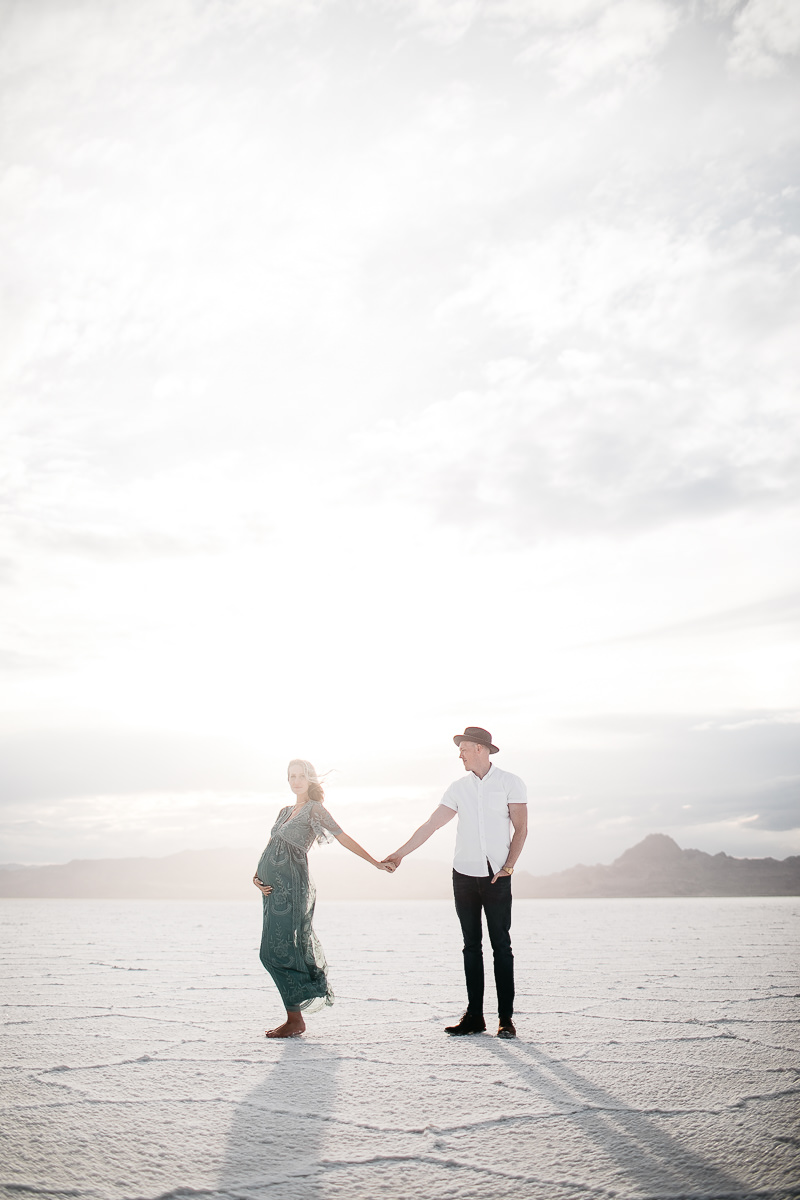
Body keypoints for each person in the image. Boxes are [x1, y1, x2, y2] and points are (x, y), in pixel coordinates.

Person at [384, 727, 527, 1038]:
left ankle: (506, 1020)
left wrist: (509, 866)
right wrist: (400, 853)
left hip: (496, 876)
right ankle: (475, 1017)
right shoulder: (457, 788)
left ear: (479, 749)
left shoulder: (510, 782)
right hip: (463, 875)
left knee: (501, 946)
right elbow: (431, 825)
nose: (459, 755)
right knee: (470, 947)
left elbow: (521, 828)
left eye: (463, 748)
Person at [253, 758, 394, 1038]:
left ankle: (296, 1016)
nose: (296, 781)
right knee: (271, 952)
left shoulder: (314, 809)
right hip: (271, 890)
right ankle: (294, 1017)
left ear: (311, 779)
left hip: (292, 886)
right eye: (291, 776)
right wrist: (257, 875)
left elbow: (342, 837)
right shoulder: (284, 811)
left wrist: (375, 863)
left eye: (301, 776)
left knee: (278, 951)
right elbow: (271, 845)